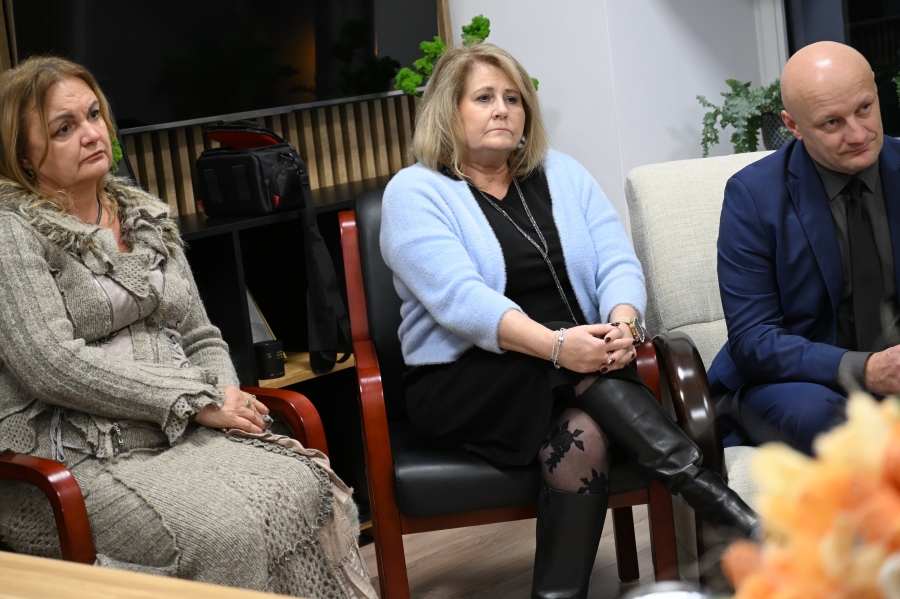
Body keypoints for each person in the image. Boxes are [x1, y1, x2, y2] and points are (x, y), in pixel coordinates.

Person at [380, 43, 759, 599]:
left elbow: (616, 262)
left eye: (513, 98)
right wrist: (559, 347)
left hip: (579, 367)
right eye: (483, 98)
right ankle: (711, 494)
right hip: (464, 378)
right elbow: (461, 300)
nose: (502, 109)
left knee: (582, 439)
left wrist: (624, 325)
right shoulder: (414, 192)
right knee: (579, 374)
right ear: (447, 111)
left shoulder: (562, 173)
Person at [0, 56, 375, 599]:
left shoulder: (145, 215)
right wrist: (196, 399)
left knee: (305, 485)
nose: (91, 134)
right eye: (64, 128)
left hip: (180, 429)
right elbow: (51, 364)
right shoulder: (12, 232)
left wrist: (223, 394)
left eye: (94, 115)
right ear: (22, 156)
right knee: (228, 532)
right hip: (78, 453)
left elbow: (201, 334)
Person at [711, 41, 900, 456]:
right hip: (801, 380)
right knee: (825, 421)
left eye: (865, 108)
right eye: (832, 123)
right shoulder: (753, 196)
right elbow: (754, 339)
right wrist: (867, 369)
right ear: (792, 125)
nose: (858, 134)